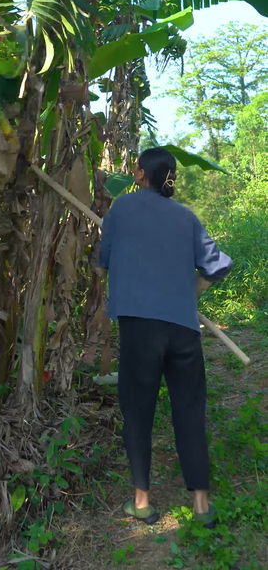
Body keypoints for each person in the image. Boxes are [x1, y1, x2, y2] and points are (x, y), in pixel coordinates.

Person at [98, 147, 232, 528]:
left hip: (141, 328)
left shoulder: (121, 210)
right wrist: (188, 293)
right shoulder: (186, 217)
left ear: (140, 174)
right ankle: (202, 504)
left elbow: (103, 262)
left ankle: (142, 501)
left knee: (138, 412)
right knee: (189, 410)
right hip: (183, 328)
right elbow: (217, 265)